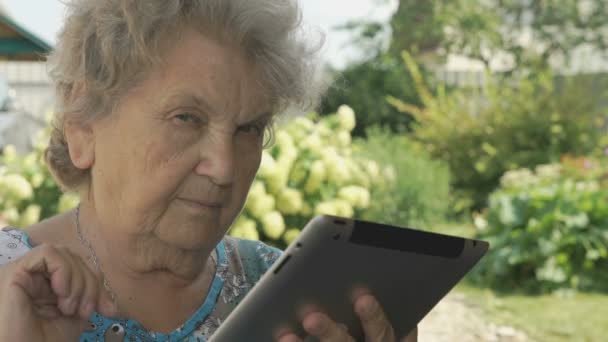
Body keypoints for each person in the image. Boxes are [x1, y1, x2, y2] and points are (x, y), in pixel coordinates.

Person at [0, 0, 417, 341]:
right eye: (186, 118)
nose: (223, 167)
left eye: (248, 128)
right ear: (83, 127)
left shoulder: (293, 296)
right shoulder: (11, 287)